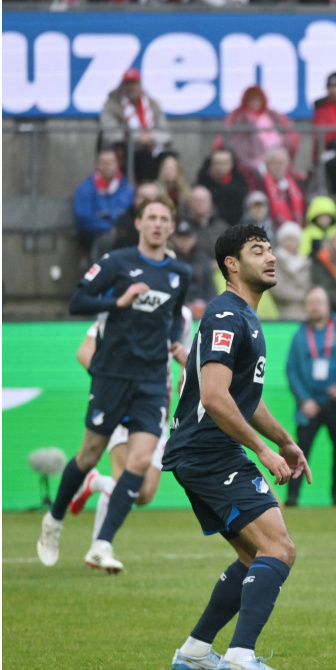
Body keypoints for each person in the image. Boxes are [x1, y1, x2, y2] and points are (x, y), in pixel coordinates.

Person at [162, 223, 310, 670]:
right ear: (232, 264)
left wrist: (284, 441)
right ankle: (241, 657)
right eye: (257, 250)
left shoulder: (243, 314)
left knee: (252, 555)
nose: (270, 257)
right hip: (209, 450)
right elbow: (214, 396)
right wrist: (262, 452)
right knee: (279, 549)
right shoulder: (227, 314)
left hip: (204, 451)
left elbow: (246, 398)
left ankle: (194, 653)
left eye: (270, 250)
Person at [39, 195, 191, 573]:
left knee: (141, 462)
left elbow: (175, 315)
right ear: (138, 223)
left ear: (171, 227)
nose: (158, 224)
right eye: (151, 217)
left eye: (164, 219)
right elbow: (77, 302)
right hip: (111, 375)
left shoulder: (180, 274)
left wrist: (174, 341)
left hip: (153, 381)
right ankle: (54, 519)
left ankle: (102, 544)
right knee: (90, 452)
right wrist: (118, 301)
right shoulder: (116, 263)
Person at [68, 304, 194, 547]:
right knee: (126, 480)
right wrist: (115, 382)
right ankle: (99, 548)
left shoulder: (183, 316)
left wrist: (184, 371)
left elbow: (183, 357)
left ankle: (94, 482)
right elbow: (85, 352)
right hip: (121, 406)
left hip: (155, 412)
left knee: (143, 494)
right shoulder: (123, 310)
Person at [285, 286, 336, 508]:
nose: (314, 307)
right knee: (300, 450)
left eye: (318, 302)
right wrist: (304, 400)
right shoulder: (300, 335)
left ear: (328, 305)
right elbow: (291, 370)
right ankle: (292, 497)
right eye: (310, 303)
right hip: (310, 404)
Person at [99, 68, 171, 183]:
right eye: (128, 84)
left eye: (134, 83)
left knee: (170, 159)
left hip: (154, 147)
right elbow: (111, 132)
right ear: (123, 86)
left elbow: (165, 132)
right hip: (126, 149)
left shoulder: (152, 104)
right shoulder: (111, 105)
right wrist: (137, 137)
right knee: (143, 157)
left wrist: (151, 137)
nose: (131, 87)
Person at [215, 85, 300, 175]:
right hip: (248, 159)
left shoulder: (273, 115)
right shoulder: (237, 116)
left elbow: (291, 134)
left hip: (274, 155)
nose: (254, 103)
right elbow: (224, 138)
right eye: (251, 100)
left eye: (257, 100)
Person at [74, 148, 134, 260]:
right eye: (103, 163)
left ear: (117, 164)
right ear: (97, 165)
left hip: (121, 232)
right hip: (94, 235)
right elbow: (83, 218)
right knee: (106, 241)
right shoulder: (85, 188)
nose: (107, 166)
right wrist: (107, 227)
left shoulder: (125, 187)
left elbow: (127, 209)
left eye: (110, 162)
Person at [171, 221, 218, 315]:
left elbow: (210, 289)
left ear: (194, 238)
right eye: (180, 237)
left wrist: (205, 305)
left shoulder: (203, 260)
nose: (184, 241)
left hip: (201, 310)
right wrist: (185, 306)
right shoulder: (170, 260)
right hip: (177, 312)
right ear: (174, 239)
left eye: (187, 237)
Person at [197, 149, 251, 227]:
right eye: (217, 163)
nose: (220, 167)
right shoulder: (202, 184)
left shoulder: (241, 185)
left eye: (225, 163)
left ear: (232, 164)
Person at [258, 147, 306, 228]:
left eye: (281, 163)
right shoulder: (260, 183)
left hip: (296, 228)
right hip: (271, 227)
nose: (278, 166)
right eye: (275, 163)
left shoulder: (296, 182)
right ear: (267, 165)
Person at [273, 222, 311, 321]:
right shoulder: (274, 261)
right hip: (285, 308)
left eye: (293, 239)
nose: (289, 242)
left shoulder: (306, 263)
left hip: (307, 307)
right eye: (286, 239)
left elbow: (310, 285)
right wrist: (302, 296)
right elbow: (277, 288)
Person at [187, 185, 231, 257]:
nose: (199, 203)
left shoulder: (222, 227)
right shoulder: (184, 227)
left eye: (202, 200)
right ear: (190, 203)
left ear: (210, 203)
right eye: (195, 200)